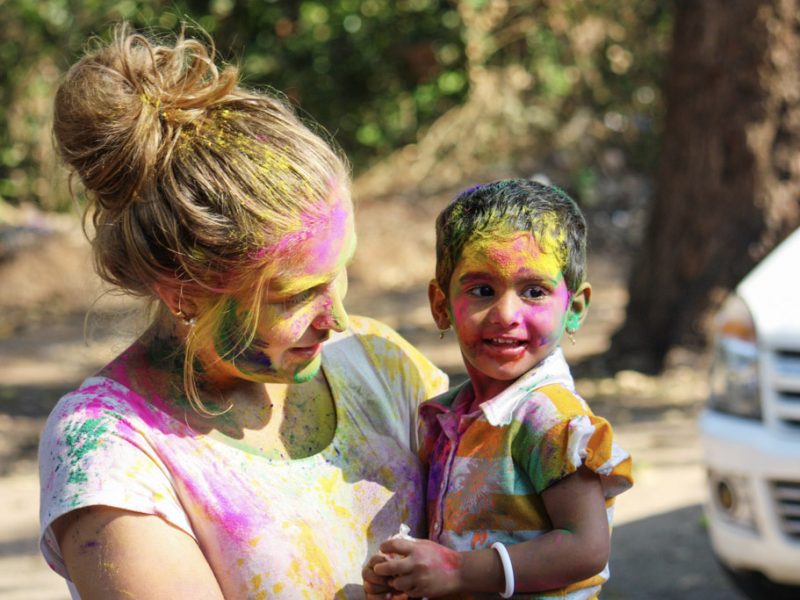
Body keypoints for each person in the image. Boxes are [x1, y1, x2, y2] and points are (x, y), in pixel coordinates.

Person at [38, 23, 448, 599]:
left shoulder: (382, 366)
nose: (339, 319)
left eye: (339, 274)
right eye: (295, 295)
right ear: (181, 290)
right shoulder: (109, 448)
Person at [364, 179, 633, 599]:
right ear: (440, 305)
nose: (506, 313)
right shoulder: (454, 414)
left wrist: (457, 570)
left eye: (534, 292)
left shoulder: (548, 417)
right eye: (482, 290)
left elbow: (586, 547)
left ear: (574, 309)